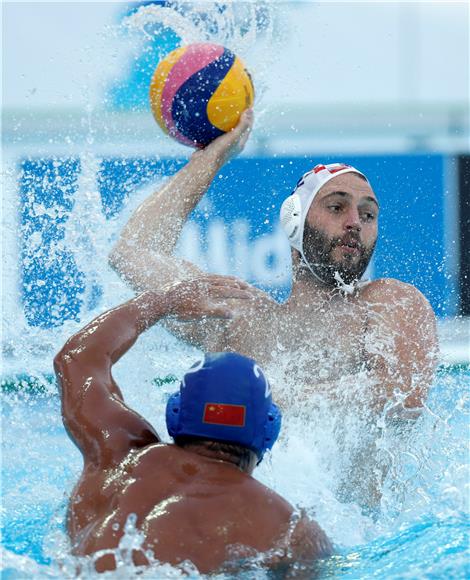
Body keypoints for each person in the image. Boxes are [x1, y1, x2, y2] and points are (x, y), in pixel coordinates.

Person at [109, 109, 438, 416]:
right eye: (337, 207)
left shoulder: (390, 302)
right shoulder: (243, 320)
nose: (355, 222)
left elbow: (402, 392)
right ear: (294, 223)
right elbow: (131, 251)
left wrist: (265, 398)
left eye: (368, 214)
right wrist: (209, 160)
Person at [54, 280, 332, 574]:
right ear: (269, 432)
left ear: (175, 414)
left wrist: (162, 300)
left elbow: (76, 359)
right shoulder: (288, 530)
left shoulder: (117, 453)